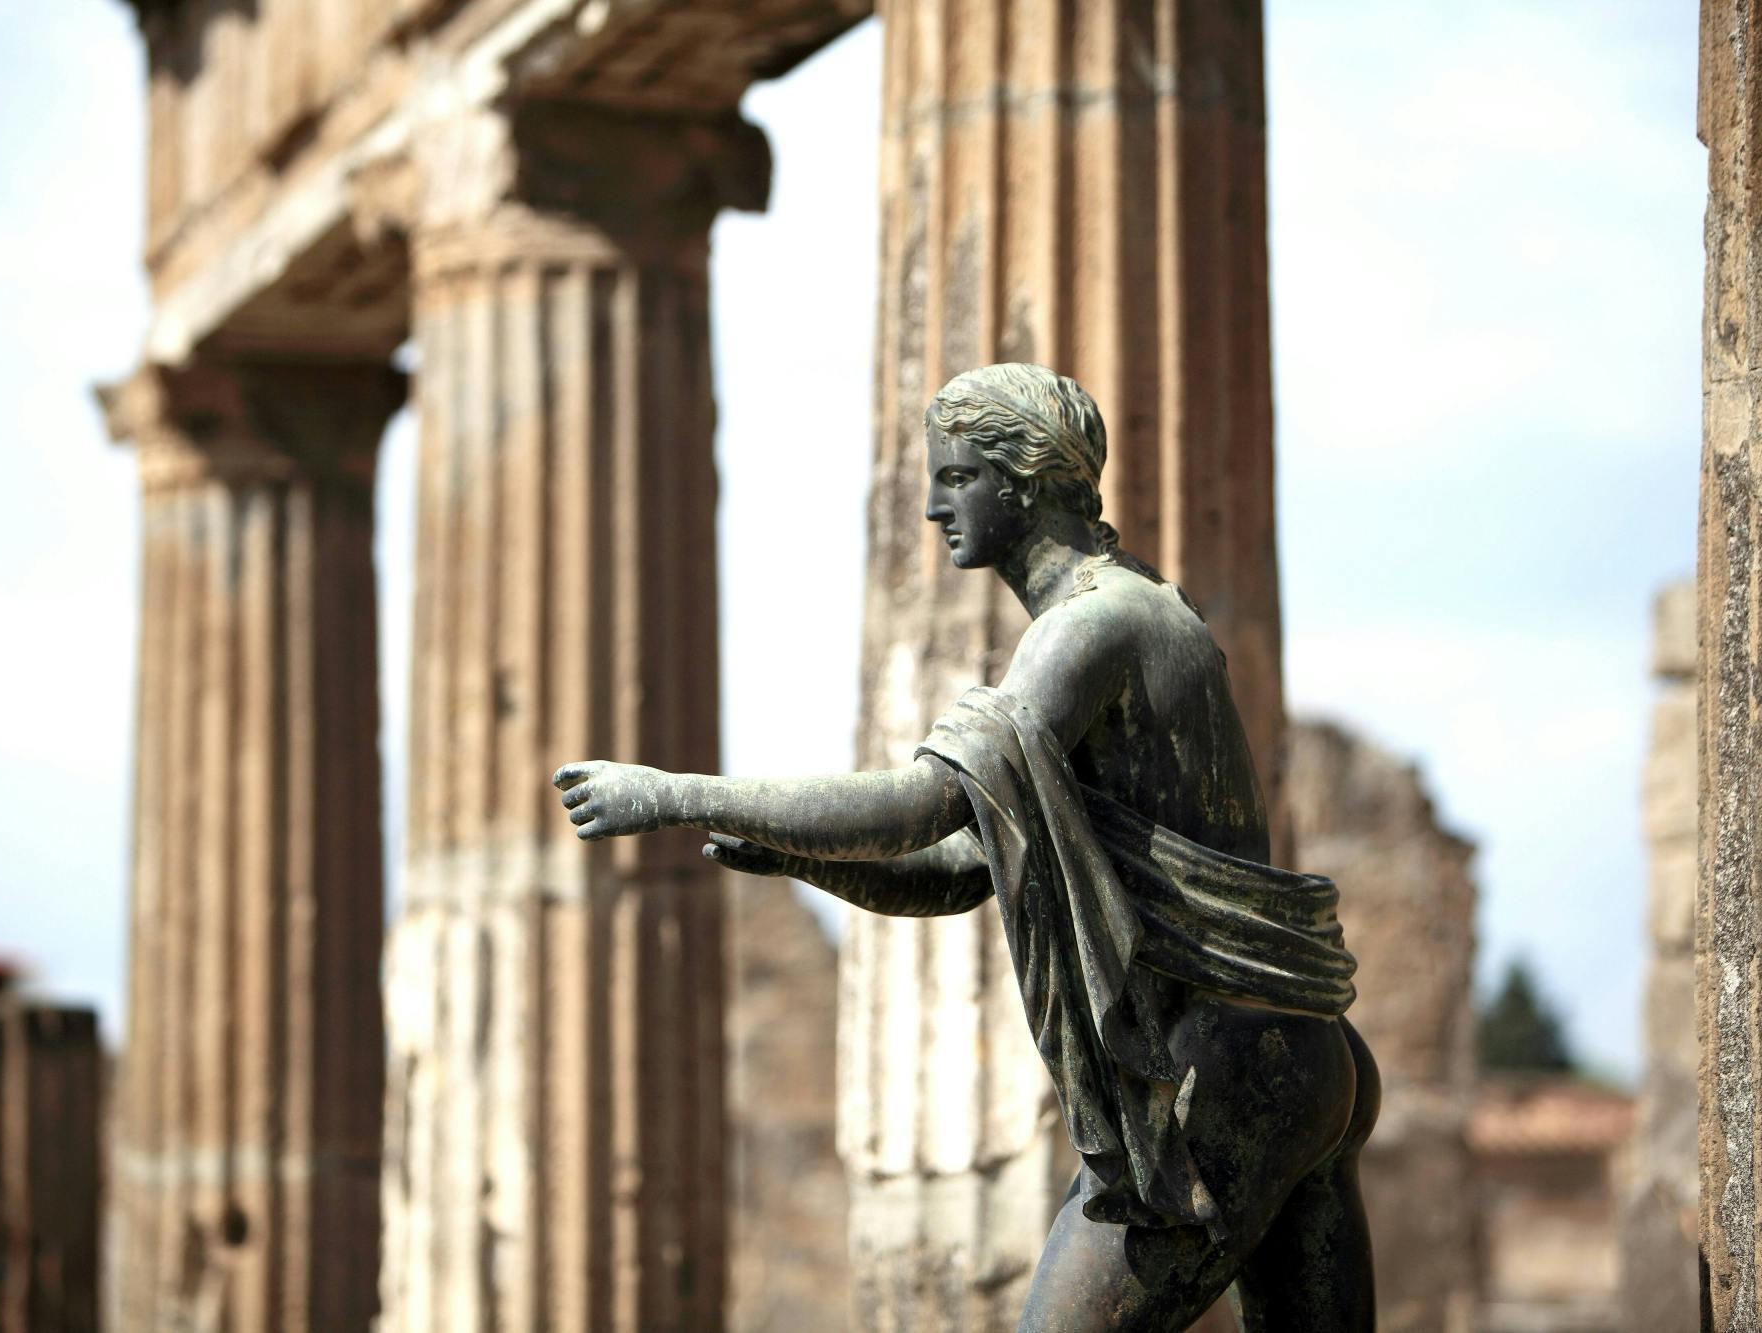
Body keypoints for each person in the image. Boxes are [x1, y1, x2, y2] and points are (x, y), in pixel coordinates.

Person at [552, 362, 1377, 1331]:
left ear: (1022, 481)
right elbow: (956, 872)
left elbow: (923, 806)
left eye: (955, 477)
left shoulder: (1094, 626)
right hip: (1296, 1054)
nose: (932, 507)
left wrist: (675, 794)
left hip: (1227, 1073)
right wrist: (801, 858)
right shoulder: (1142, 609)